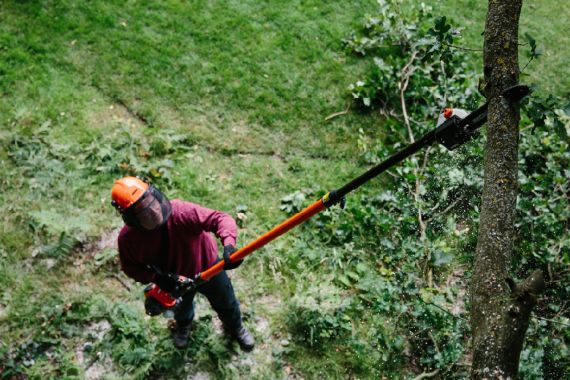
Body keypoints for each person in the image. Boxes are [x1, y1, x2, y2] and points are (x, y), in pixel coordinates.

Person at [110, 176, 254, 350]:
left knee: (226, 302)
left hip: (209, 268)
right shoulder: (128, 240)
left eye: (152, 203)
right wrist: (158, 278)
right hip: (174, 282)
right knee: (182, 310)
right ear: (132, 220)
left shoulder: (180, 212)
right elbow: (131, 268)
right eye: (145, 212)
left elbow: (219, 219)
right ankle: (183, 326)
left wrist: (229, 245)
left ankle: (235, 328)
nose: (155, 212)